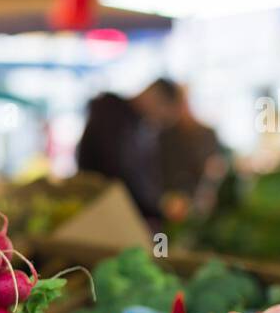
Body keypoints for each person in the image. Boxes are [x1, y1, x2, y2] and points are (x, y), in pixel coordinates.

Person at [132, 78, 222, 220]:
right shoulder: (162, 134)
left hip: (196, 201)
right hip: (167, 203)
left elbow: (214, 168)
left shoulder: (206, 133)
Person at [75, 92, 161, 220]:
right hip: (103, 205)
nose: (155, 120)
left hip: (103, 202)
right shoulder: (117, 118)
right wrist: (151, 208)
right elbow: (119, 169)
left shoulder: (124, 118)